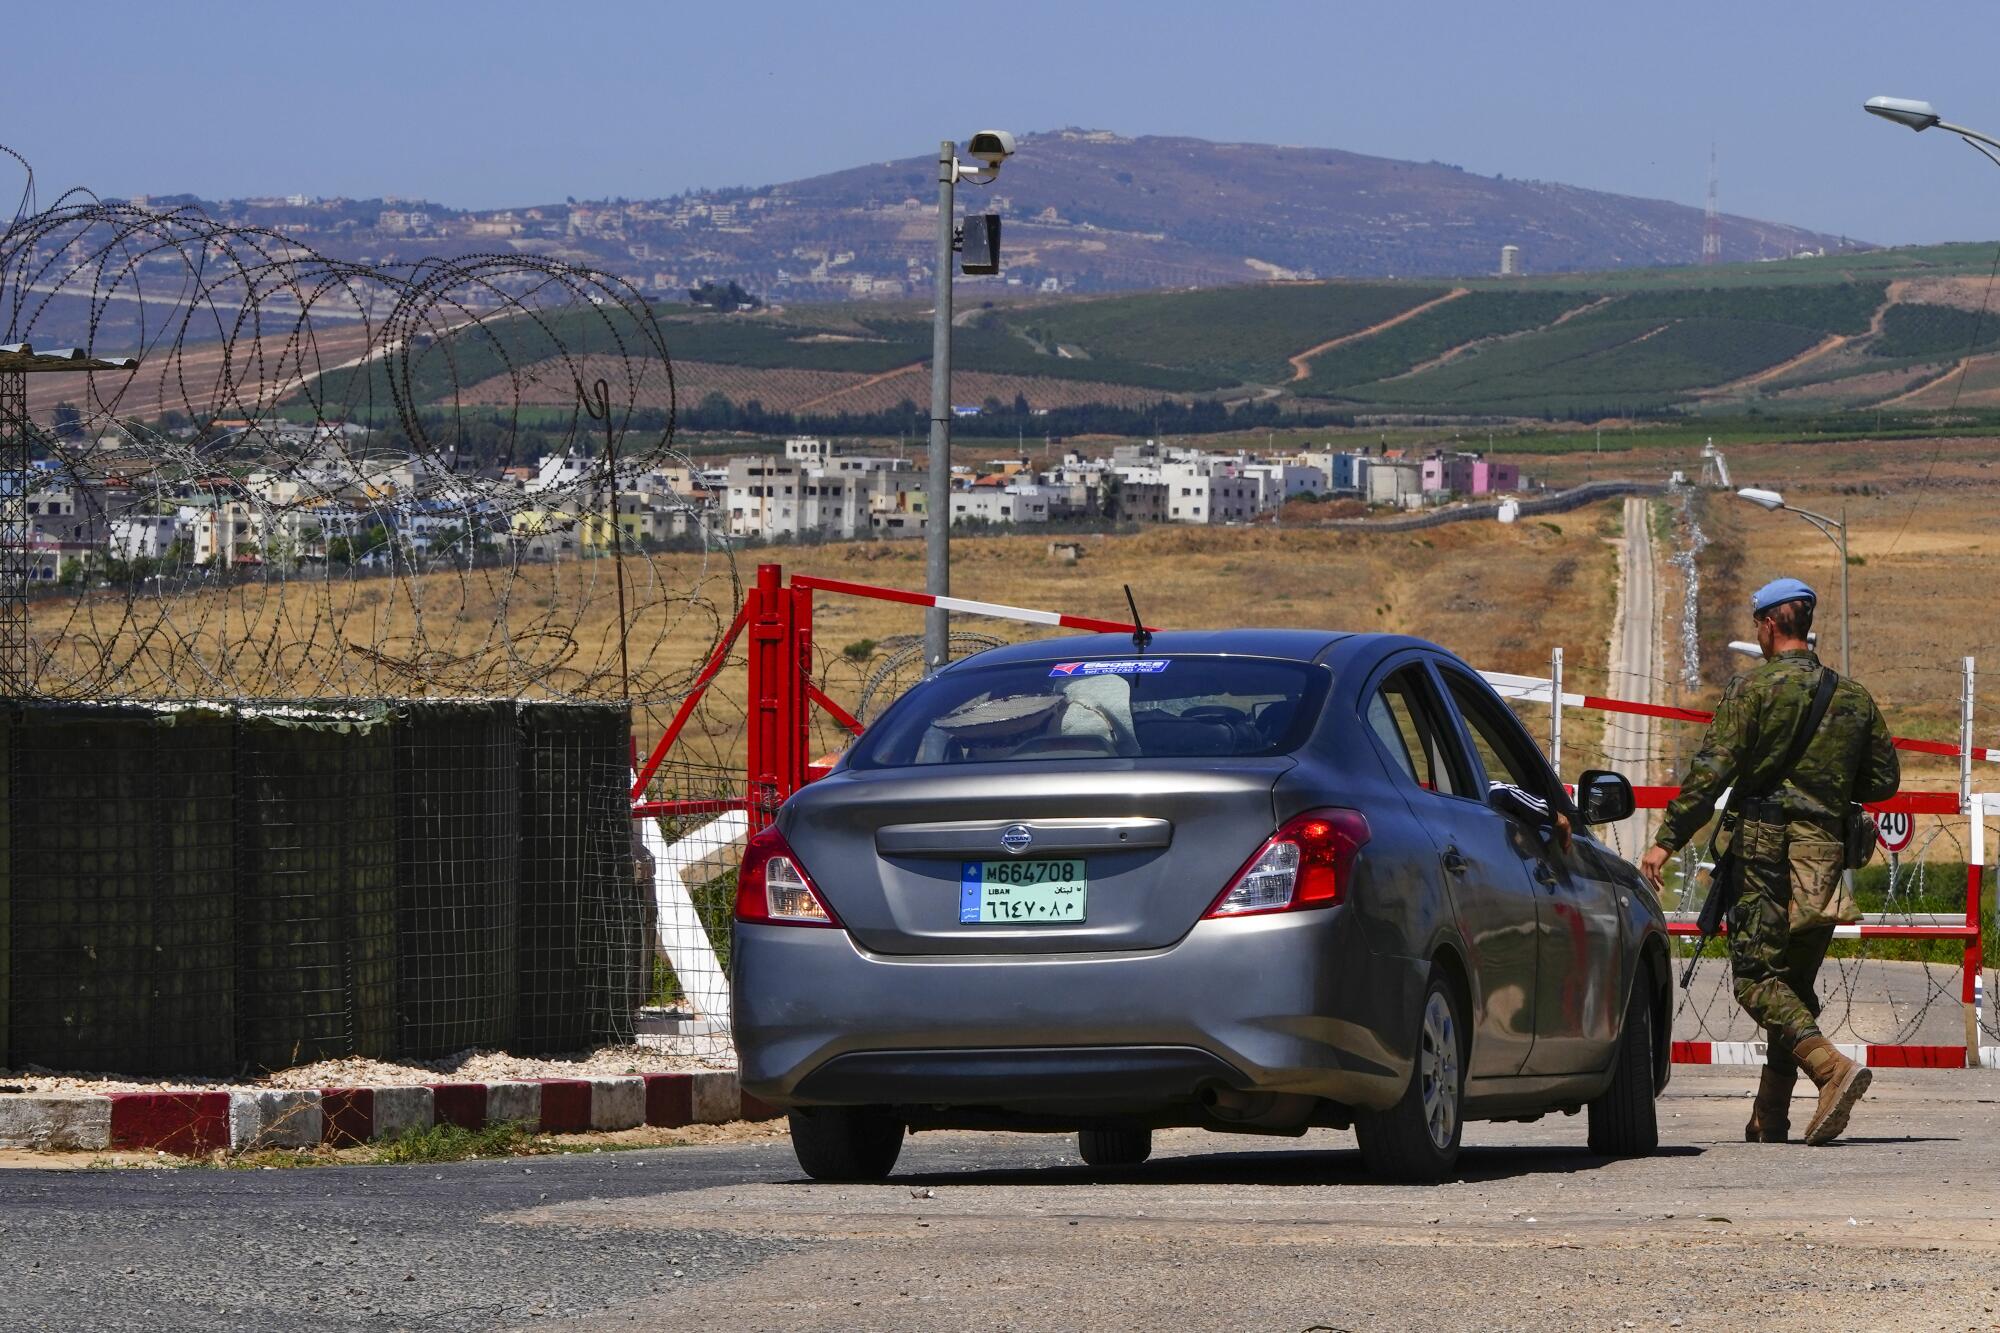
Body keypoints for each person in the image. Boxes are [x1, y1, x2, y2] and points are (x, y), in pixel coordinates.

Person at [1638, 577, 1899, 1146]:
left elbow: (1712, 772)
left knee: (1757, 979)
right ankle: (1770, 1116)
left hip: (1764, 852)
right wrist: (1827, 788)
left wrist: (1666, 840)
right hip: (1825, 855)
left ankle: (1831, 1070)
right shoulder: (1852, 697)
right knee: (1795, 984)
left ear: (1769, 625)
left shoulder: (1752, 690)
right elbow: (1883, 781)